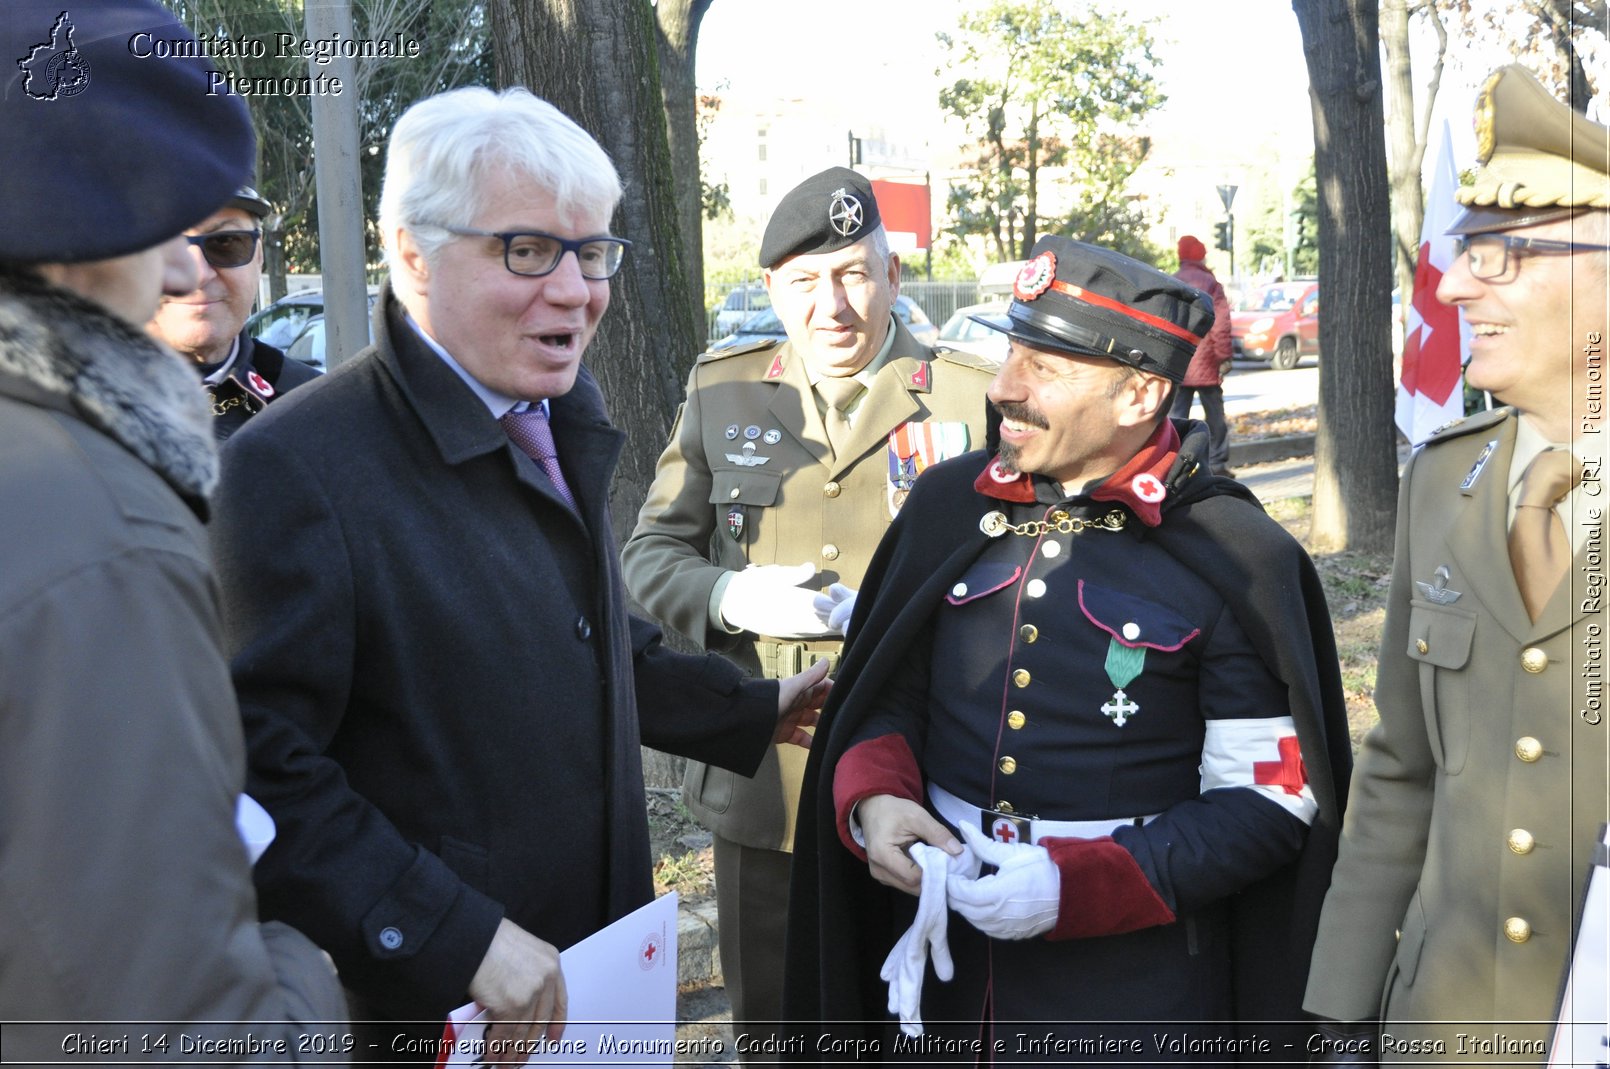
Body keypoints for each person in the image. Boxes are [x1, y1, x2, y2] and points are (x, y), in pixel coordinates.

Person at [209, 86, 827, 1061]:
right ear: (411, 253)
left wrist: (751, 708)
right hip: (443, 1014)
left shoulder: (550, 419)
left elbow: (575, 644)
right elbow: (249, 771)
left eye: (592, 252)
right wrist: (450, 932)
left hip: (595, 985)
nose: (576, 289)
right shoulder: (294, 468)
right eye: (528, 250)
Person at [782, 236, 1354, 1059]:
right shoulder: (949, 506)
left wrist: (1067, 888)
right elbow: (884, 698)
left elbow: (1266, 806)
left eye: (1045, 367)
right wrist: (875, 798)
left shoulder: (1236, 555)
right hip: (940, 982)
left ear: (1140, 393)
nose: (1006, 387)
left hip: (1128, 996)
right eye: (1013, 350)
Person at [0, 0, 344, 1058]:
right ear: (65, 242)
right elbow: (183, 1032)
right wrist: (308, 972)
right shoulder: (98, 528)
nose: (196, 271)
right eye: (159, 227)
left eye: (226, 239)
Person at [622, 167, 994, 1052]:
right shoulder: (724, 389)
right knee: (783, 1028)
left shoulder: (968, 395)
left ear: (894, 276)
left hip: (927, 764)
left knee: (920, 1017)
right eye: (804, 282)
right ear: (773, 293)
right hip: (769, 784)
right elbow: (649, 553)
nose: (833, 304)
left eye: (854, 274)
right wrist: (732, 593)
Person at [1304, 65, 1610, 1063]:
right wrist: (1341, 1006)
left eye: (1502, 256)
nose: (1453, 282)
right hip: (1449, 1023)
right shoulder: (1446, 481)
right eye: (1463, 253)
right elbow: (1400, 766)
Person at [148, 185, 319, 440]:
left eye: (225, 242)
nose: (198, 275)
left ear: (259, 256)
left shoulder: (315, 407)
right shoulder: (73, 412)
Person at [1169, 235, 1235, 477]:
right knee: (1215, 415)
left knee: (1176, 415)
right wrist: (1224, 357)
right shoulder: (1210, 282)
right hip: (1206, 361)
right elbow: (1220, 325)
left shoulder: (1173, 281)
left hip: (1180, 361)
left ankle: (1174, 463)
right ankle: (1217, 463)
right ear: (1200, 255)